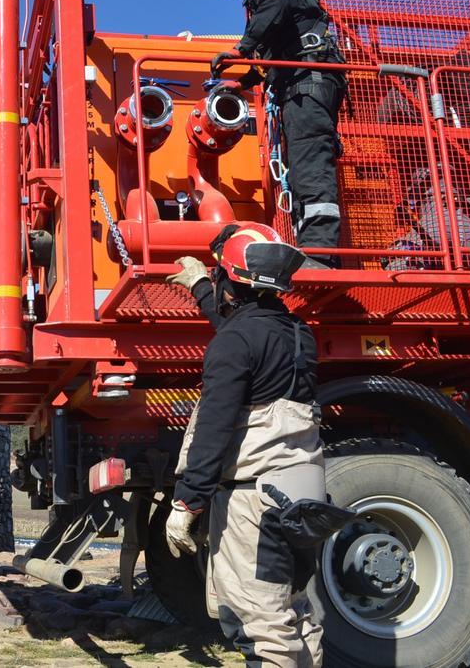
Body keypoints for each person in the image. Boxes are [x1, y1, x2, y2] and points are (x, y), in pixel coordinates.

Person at [165, 223, 335, 668]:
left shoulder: (235, 342)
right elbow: (248, 329)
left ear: (230, 281)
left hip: (254, 503)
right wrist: (201, 286)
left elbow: (214, 428)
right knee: (294, 612)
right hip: (302, 494)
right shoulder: (298, 333)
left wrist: (187, 503)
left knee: (261, 626)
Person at [199, 0, 348, 266]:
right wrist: (241, 83)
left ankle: (321, 256)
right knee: (302, 168)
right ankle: (312, 251)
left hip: (308, 83)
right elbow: (271, 56)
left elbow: (273, 7)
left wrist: (240, 48)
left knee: (310, 165)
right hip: (301, 83)